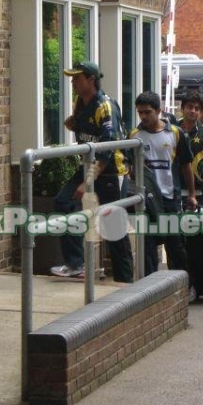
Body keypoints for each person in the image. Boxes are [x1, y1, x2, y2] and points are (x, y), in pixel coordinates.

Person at [50, 61, 133, 282]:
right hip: (87, 167)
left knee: (112, 228)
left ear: (91, 80)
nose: (73, 82)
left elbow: (107, 149)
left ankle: (125, 281)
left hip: (109, 172)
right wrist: (73, 123)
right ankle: (75, 264)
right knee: (63, 202)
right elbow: (78, 125)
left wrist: (86, 183)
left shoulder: (105, 106)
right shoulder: (81, 102)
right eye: (72, 78)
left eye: (77, 78)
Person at [129, 91, 198, 276]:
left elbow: (186, 165)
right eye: (140, 112)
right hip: (147, 201)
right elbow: (130, 168)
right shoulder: (135, 136)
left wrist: (191, 194)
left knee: (175, 246)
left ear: (159, 111)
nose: (143, 116)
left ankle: (183, 285)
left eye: (147, 112)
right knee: (147, 247)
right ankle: (150, 288)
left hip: (170, 199)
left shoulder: (175, 133)